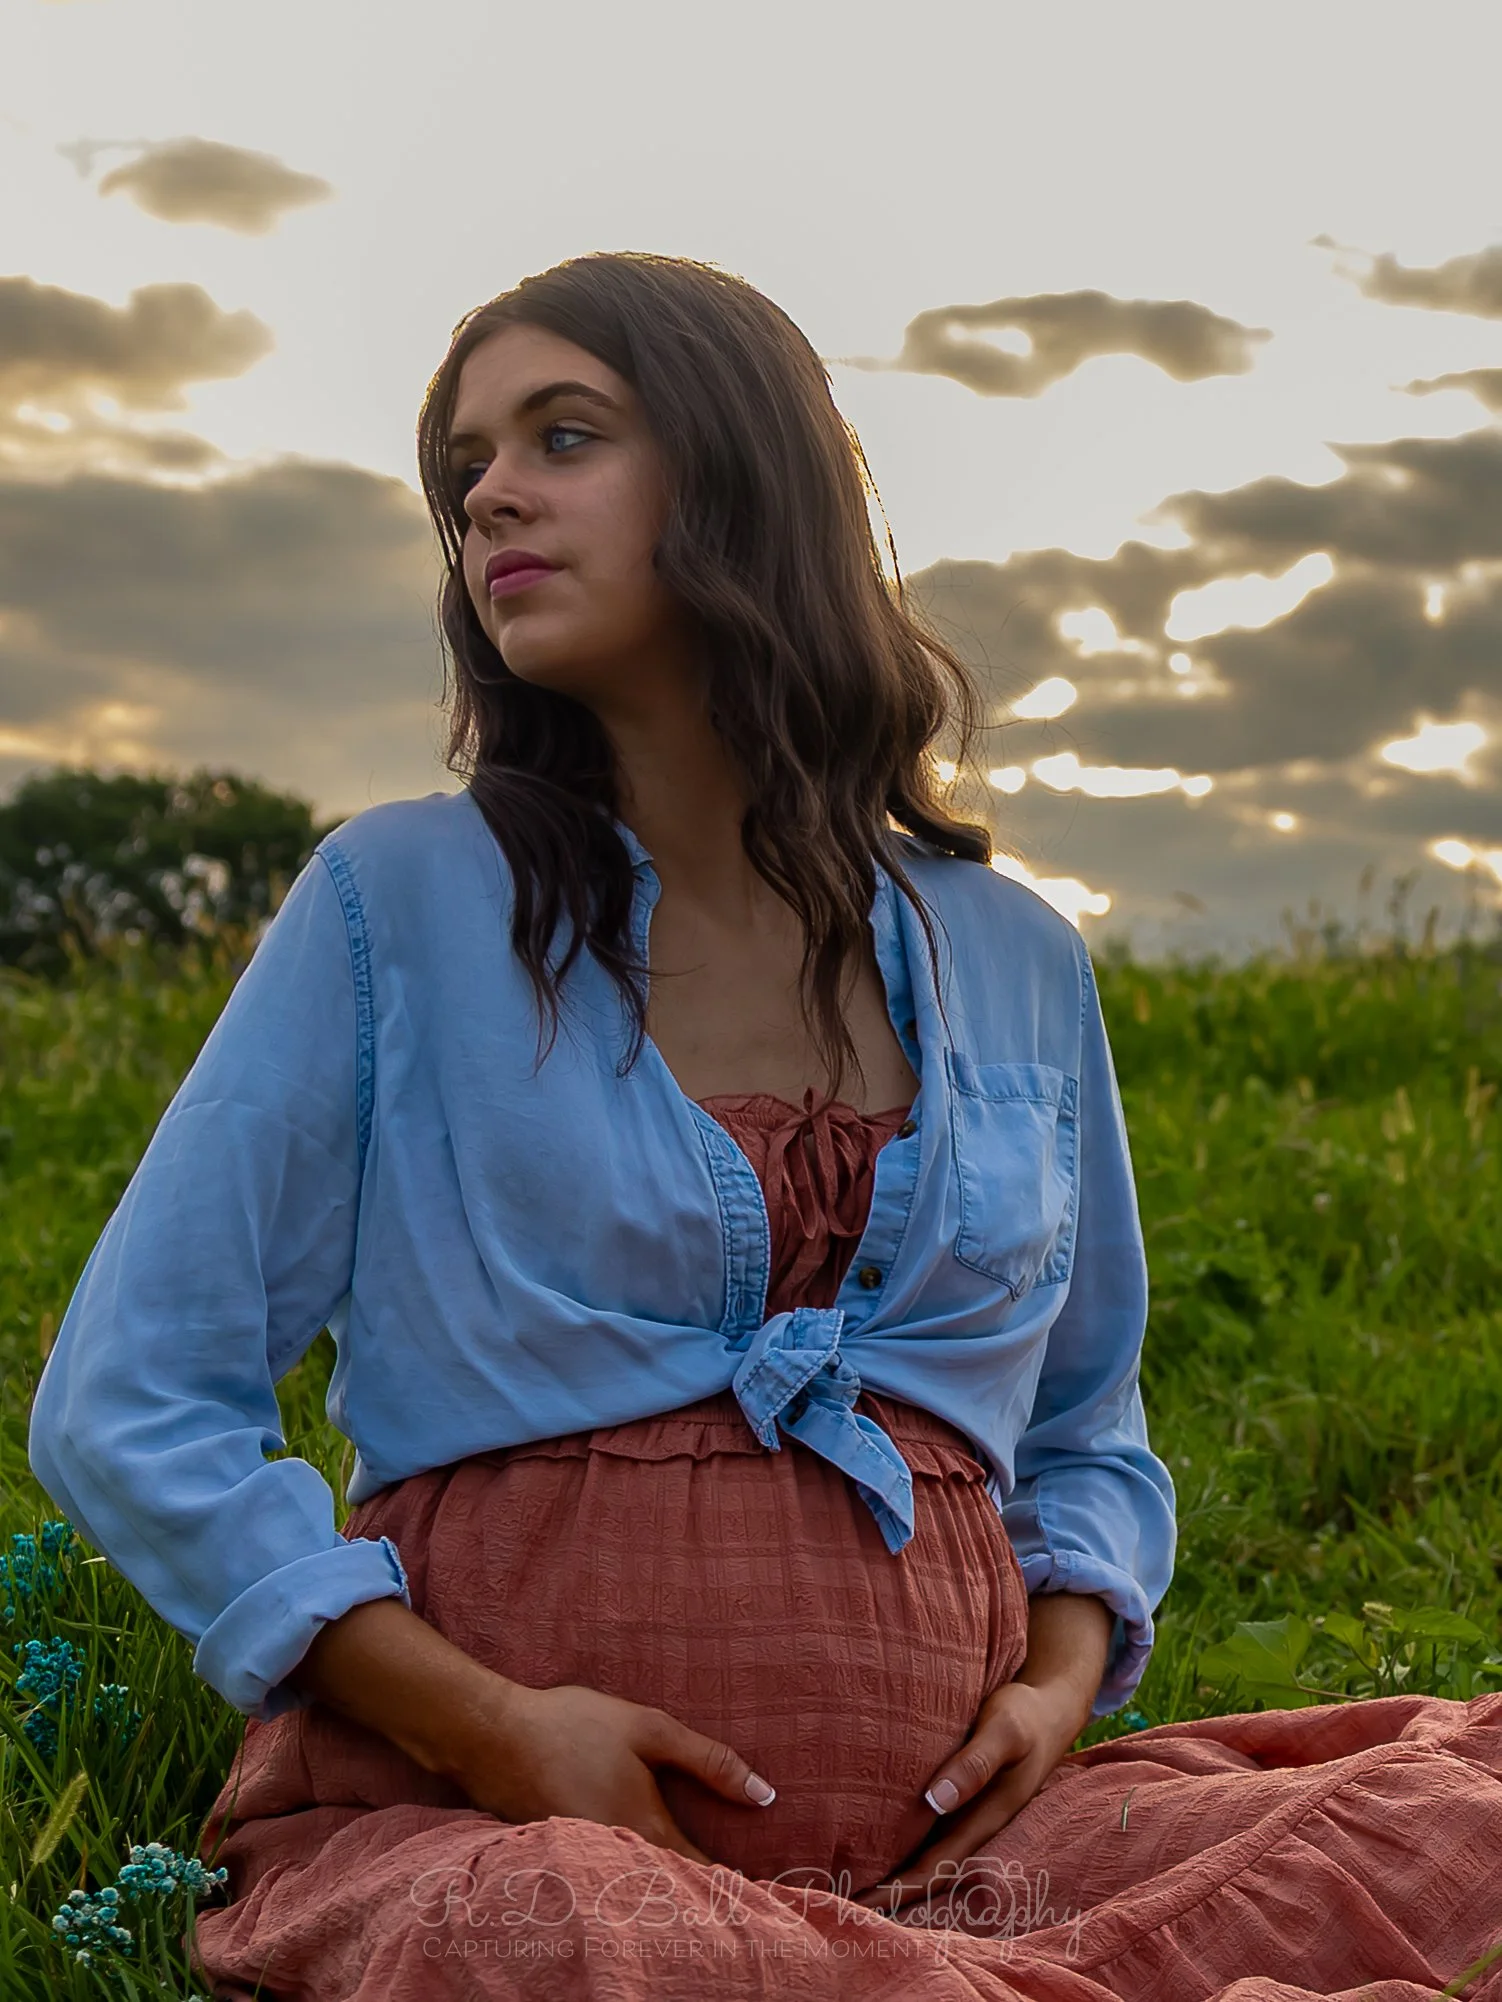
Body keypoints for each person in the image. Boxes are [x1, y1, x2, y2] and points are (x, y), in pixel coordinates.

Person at [28, 250, 1502, 2002]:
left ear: (743, 474)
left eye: (563, 434)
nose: (490, 490)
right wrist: (496, 1731)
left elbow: (1085, 1425)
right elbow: (133, 1391)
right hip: (516, 1835)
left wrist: (1051, 1679)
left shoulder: (1012, 955)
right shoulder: (396, 905)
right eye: (465, 468)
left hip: (968, 1862)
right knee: (599, 1949)